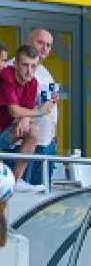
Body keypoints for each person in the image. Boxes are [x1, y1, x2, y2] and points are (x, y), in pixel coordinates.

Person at [0, 44, 51, 193]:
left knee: (33, 131)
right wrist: (40, 111)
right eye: (25, 65)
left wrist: (26, 117)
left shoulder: (33, 82)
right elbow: (14, 110)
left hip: (7, 132)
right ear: (15, 64)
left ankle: (16, 182)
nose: (30, 71)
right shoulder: (6, 75)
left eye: (34, 66)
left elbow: (25, 114)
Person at [21, 29, 58, 187]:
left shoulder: (44, 71)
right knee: (21, 195)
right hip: (25, 143)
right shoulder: (16, 68)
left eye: (48, 45)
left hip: (46, 143)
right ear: (28, 42)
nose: (44, 48)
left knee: (42, 196)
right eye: (40, 42)